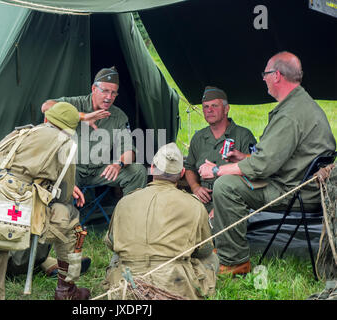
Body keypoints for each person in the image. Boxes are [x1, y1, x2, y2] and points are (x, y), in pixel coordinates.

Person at [198, 51, 336, 275]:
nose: (263, 78)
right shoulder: (299, 103)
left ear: (277, 75)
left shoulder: (290, 114)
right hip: (303, 183)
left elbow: (262, 166)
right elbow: (279, 155)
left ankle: (235, 261)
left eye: (265, 73)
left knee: (225, 186)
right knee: (231, 178)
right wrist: (243, 158)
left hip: (295, 191)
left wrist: (216, 169)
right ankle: (227, 248)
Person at [0, 102, 91, 300]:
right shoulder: (65, 143)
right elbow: (64, 197)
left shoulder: (19, 134)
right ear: (70, 130)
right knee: (70, 218)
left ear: (46, 119)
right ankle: (67, 291)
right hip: (3, 221)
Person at [103, 143, 218, 300]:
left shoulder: (125, 201)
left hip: (128, 283)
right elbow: (204, 250)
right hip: (174, 284)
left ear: (151, 168)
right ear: (182, 173)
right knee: (212, 258)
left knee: (116, 257)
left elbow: (111, 243)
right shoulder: (194, 205)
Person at [41, 66, 147, 200]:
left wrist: (118, 164)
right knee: (59, 178)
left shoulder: (119, 116)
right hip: (72, 168)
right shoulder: (76, 103)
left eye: (114, 93)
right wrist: (81, 116)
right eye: (105, 91)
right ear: (94, 89)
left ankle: (130, 217)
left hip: (100, 170)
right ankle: (63, 218)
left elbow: (129, 150)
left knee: (137, 172)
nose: (109, 97)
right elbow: (46, 107)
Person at [184, 86, 256, 218]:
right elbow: (189, 167)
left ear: (226, 109)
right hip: (202, 202)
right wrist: (195, 187)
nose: (209, 110)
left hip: (233, 200)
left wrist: (220, 208)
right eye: (205, 107)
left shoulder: (243, 135)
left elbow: (255, 168)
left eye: (214, 106)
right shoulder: (199, 138)